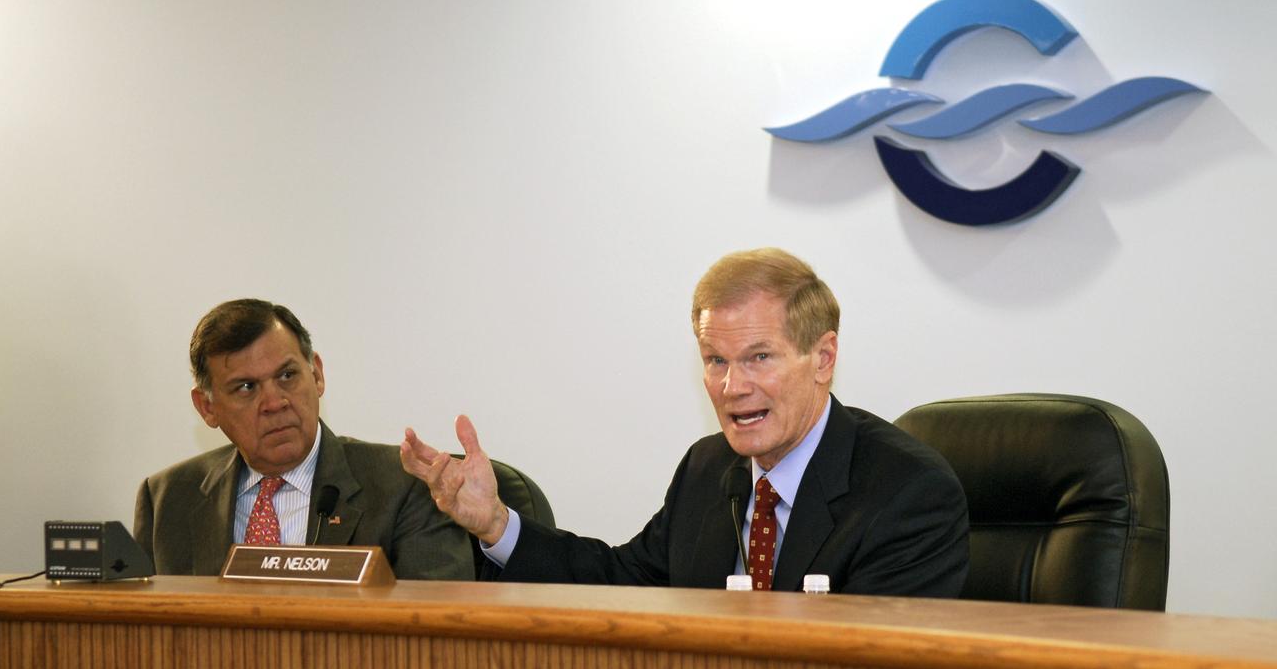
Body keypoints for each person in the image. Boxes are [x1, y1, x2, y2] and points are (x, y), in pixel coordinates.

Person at [400, 248, 969, 595]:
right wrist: (496, 524)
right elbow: (621, 582)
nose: (732, 386)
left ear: (822, 359)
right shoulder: (707, 468)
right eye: (716, 360)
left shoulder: (907, 492)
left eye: (759, 358)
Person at [134, 299, 474, 579]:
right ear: (207, 407)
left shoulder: (404, 486)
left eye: (287, 375)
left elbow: (436, 626)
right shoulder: (167, 499)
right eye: (246, 387)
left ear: (317, 375)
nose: (274, 402)